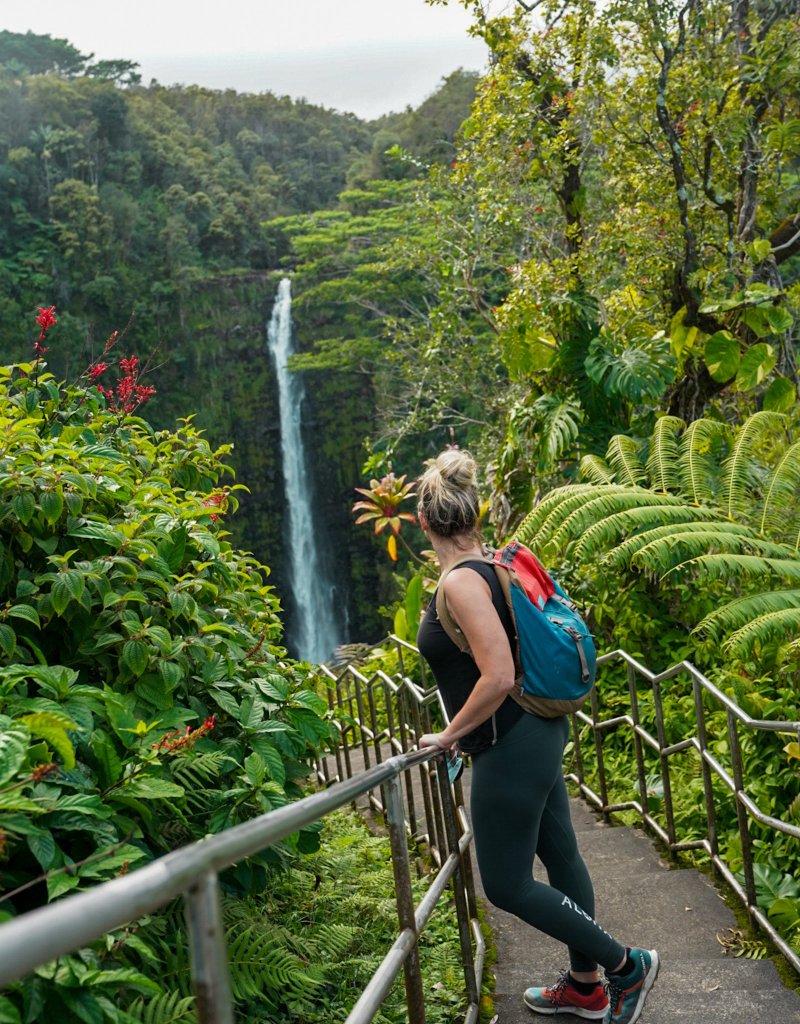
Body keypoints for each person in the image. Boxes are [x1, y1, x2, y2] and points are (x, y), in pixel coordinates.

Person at [415, 449, 659, 1024]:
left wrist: (449, 734)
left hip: (509, 740)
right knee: (562, 855)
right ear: (475, 516)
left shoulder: (461, 584)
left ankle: (626, 967)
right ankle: (586, 988)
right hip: (539, 729)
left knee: (504, 884)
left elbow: (497, 674)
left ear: (424, 523)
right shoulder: (495, 566)